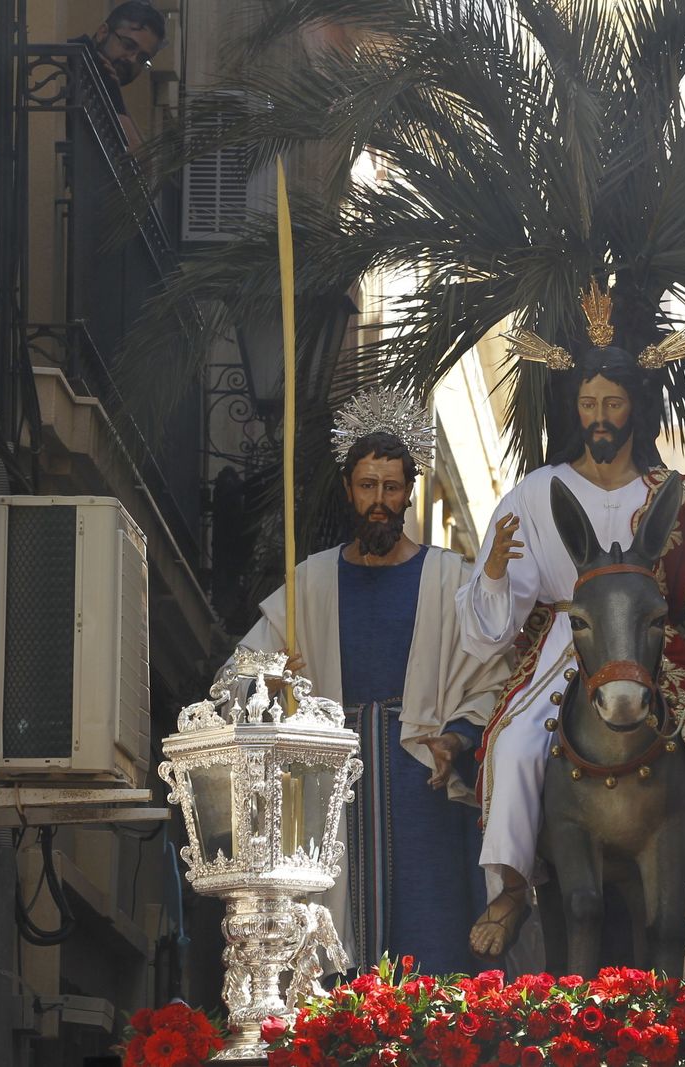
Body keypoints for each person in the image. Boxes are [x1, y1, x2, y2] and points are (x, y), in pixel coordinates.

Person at [458, 283, 685, 962]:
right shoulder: (538, 493)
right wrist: (499, 572)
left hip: (655, 649)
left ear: (634, 409)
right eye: (588, 404)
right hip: (569, 647)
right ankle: (509, 883)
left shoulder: (671, 495)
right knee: (513, 747)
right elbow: (490, 623)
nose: (599, 417)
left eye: (612, 404)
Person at [232, 389, 511, 976]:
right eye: (367, 486)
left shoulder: (447, 579)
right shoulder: (310, 582)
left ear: (409, 491)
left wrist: (456, 739)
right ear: (349, 491)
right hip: (330, 784)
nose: (379, 501)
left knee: (431, 929)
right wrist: (277, 683)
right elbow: (239, 678)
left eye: (391, 487)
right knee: (331, 932)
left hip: (422, 779)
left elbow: (492, 682)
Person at [70, 2, 166, 145]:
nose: (133, 60)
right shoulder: (76, 62)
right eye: (128, 45)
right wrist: (112, 92)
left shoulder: (104, 82)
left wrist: (114, 94)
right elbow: (136, 158)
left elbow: (143, 162)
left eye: (142, 58)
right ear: (103, 32)